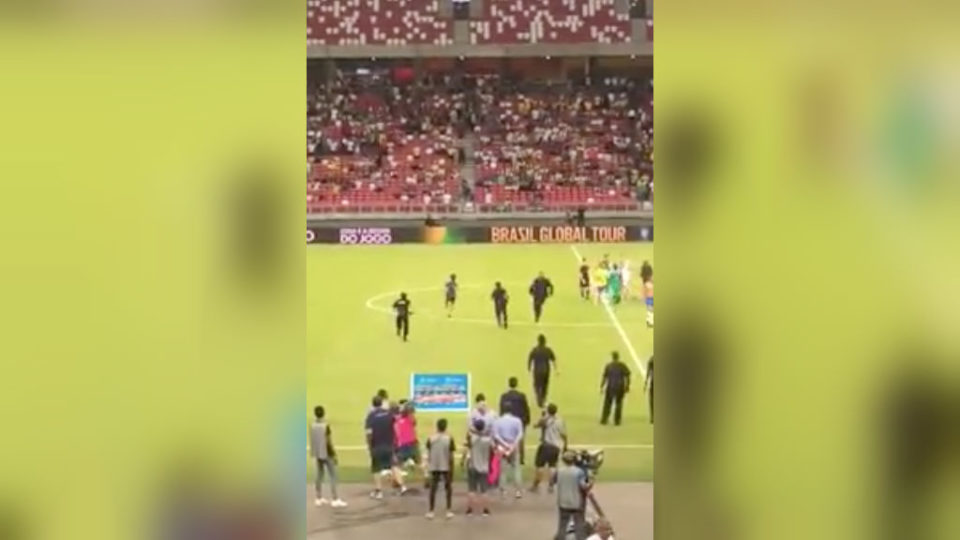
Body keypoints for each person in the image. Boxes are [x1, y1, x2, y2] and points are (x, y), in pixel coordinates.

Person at [365, 396, 406, 499]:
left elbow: (369, 433)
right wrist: (396, 441)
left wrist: (369, 446)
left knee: (376, 468)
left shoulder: (371, 416)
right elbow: (396, 428)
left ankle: (379, 491)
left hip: (376, 445)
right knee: (393, 465)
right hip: (389, 445)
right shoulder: (389, 414)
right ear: (381, 403)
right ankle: (402, 487)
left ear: (373, 404)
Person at [310, 406, 347, 508]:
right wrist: (334, 454)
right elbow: (329, 441)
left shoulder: (312, 425)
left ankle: (318, 498)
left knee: (319, 474)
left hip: (318, 453)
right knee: (333, 476)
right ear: (323, 413)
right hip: (327, 453)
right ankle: (335, 499)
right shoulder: (325, 426)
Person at [553, 450, 592, 540]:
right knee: (579, 525)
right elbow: (584, 486)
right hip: (576, 502)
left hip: (562, 502)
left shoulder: (559, 471)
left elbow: (553, 481)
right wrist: (591, 483)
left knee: (562, 525)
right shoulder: (579, 472)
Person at [531, 403, 567, 494]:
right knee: (552, 466)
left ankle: (535, 485)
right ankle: (551, 485)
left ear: (548, 411)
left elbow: (535, 425)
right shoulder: (560, 421)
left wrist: (542, 417)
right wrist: (565, 446)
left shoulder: (545, 419)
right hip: (556, 446)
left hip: (546, 445)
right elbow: (564, 435)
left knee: (540, 466)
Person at [492, 403, 525, 499]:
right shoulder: (517, 420)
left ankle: (503, 491)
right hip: (513, 446)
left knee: (502, 470)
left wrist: (505, 444)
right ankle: (518, 491)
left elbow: (496, 435)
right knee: (516, 469)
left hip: (502, 447)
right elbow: (520, 434)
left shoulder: (498, 421)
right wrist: (513, 444)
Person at [425, 418, 456, 519]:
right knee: (448, 488)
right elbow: (451, 455)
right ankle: (448, 510)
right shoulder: (449, 439)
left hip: (434, 465)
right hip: (446, 465)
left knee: (433, 489)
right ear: (445, 427)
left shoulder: (431, 438)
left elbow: (428, 452)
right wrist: (452, 468)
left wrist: (428, 466)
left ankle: (431, 511)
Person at [464, 418, 493, 517]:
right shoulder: (487, 440)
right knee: (484, 491)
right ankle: (485, 510)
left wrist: (473, 431)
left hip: (472, 466)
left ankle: (470, 510)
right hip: (484, 467)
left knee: (471, 490)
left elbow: (469, 437)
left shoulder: (472, 439)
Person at [499, 376, 531, 464]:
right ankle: (521, 459)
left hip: (507, 420)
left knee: (507, 438)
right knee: (520, 439)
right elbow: (526, 408)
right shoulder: (521, 396)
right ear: (517, 384)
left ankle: (508, 456)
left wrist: (501, 419)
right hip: (520, 420)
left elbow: (501, 409)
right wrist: (527, 420)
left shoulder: (504, 396)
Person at [600, 352, 631, 426]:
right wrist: (627, 386)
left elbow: (605, 377)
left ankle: (604, 419)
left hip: (610, 387)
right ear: (618, 357)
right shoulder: (622, 365)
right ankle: (617, 420)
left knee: (607, 404)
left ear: (612, 357)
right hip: (620, 387)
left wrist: (602, 386)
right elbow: (628, 375)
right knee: (619, 404)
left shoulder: (608, 366)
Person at [528, 334, 558, 409]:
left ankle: (539, 398)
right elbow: (554, 360)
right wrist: (556, 369)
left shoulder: (535, 350)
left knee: (537, 385)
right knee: (545, 385)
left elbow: (530, 359)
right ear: (545, 341)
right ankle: (543, 399)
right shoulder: (548, 350)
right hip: (546, 370)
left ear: (538, 341)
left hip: (537, 370)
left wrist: (529, 368)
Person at [644, 355, 654, 424]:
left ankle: (652, 417)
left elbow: (648, 372)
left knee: (652, 400)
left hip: (653, 381)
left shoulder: (651, 359)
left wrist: (646, 383)